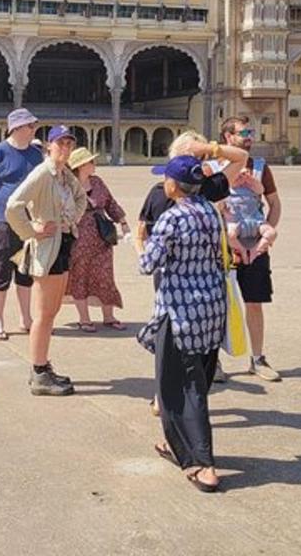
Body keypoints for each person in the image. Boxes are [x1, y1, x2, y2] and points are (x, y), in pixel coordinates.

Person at [135, 155, 234, 492]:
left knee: (180, 389)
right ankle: (179, 445)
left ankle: (201, 463)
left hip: (180, 314)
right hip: (211, 310)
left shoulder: (172, 218)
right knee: (198, 383)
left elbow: (148, 264)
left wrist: (140, 245)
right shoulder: (211, 211)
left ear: (173, 185)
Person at [137, 131, 249, 385]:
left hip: (174, 275)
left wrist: (207, 148)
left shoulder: (164, 190)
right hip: (200, 276)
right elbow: (240, 158)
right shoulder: (200, 190)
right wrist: (209, 148)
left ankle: (169, 390)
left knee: (176, 330)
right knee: (191, 327)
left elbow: (241, 157)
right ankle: (184, 383)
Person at [5, 125, 87, 396]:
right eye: (60, 143)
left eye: (69, 144)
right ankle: (39, 371)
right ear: (49, 146)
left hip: (62, 243)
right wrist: (32, 231)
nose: (65, 148)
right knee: (43, 314)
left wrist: (71, 218)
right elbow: (13, 205)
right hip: (47, 247)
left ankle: (43, 365)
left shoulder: (63, 175)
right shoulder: (42, 173)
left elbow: (81, 197)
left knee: (51, 312)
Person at [219, 116, 283, 382]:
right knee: (218, 305)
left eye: (251, 132)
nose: (249, 136)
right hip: (222, 248)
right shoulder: (215, 167)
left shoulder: (260, 168)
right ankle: (213, 363)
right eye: (242, 132)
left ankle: (257, 359)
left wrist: (262, 240)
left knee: (254, 302)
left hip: (254, 246)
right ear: (227, 138)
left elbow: (275, 205)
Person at [0, 108, 44, 340]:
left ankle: (26, 318)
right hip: (4, 223)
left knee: (25, 271)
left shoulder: (36, 155)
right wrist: (0, 211)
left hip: (30, 223)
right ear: (16, 128)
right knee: (1, 270)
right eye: (30, 126)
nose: (33, 129)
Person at [65, 147, 131, 332]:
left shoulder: (98, 182)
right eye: (90, 162)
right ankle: (84, 319)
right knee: (80, 277)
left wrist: (123, 222)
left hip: (102, 236)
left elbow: (111, 203)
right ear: (80, 166)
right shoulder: (68, 186)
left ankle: (109, 317)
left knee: (105, 275)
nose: (94, 164)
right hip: (78, 237)